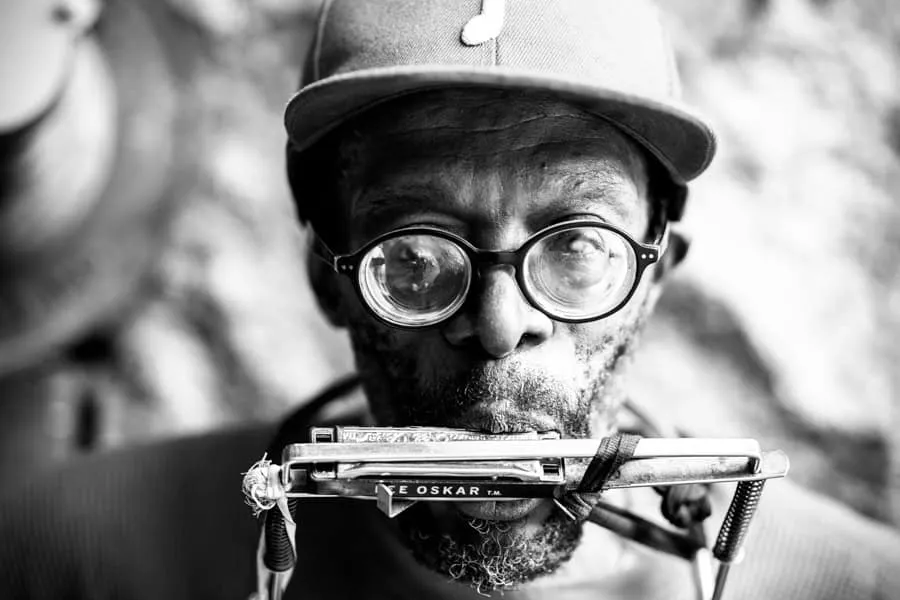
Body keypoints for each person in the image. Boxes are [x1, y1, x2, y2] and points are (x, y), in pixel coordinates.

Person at [2, 1, 899, 599]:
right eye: (417, 256)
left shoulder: (854, 584)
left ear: (656, 278)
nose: (503, 327)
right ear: (327, 279)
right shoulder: (69, 553)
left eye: (579, 246)